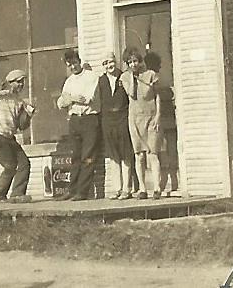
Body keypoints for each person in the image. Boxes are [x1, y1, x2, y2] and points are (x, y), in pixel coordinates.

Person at [0, 69, 35, 204]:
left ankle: (17, 194)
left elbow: (22, 126)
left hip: (9, 138)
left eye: (23, 82)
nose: (21, 85)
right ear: (10, 83)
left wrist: (29, 115)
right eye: (18, 82)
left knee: (24, 163)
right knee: (10, 166)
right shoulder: (2, 95)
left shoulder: (20, 101)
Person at [56, 49, 101, 200]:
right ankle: (72, 190)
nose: (73, 67)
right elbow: (60, 102)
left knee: (87, 157)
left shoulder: (91, 76)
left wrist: (71, 99)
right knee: (75, 156)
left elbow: (87, 99)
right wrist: (69, 100)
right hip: (75, 120)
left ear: (79, 61)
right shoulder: (69, 81)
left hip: (89, 119)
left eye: (74, 63)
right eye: (69, 65)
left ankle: (82, 192)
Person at [121, 47, 162, 199]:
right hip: (135, 120)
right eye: (130, 62)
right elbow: (131, 93)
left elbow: (157, 96)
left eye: (135, 61)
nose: (133, 64)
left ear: (140, 61)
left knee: (153, 153)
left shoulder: (150, 75)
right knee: (139, 156)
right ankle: (143, 189)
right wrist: (132, 77)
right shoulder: (125, 78)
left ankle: (157, 188)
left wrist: (158, 115)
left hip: (151, 118)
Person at [98, 51, 134, 199]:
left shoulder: (124, 76)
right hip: (108, 119)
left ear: (116, 62)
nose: (109, 65)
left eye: (111, 62)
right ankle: (117, 188)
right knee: (113, 155)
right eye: (105, 63)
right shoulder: (101, 81)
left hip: (122, 117)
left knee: (125, 153)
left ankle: (127, 188)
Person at [145, 51, 179, 196]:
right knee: (163, 152)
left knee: (165, 152)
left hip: (165, 119)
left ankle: (170, 182)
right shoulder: (151, 80)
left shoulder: (157, 80)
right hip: (160, 120)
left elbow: (167, 94)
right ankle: (165, 182)